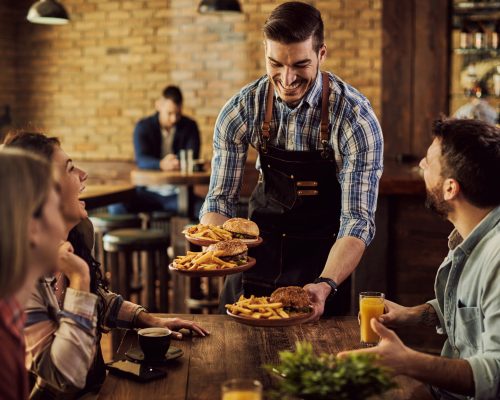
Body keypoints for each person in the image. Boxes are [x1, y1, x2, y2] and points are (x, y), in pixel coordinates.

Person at [199, 2, 383, 317]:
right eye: (276, 64)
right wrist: (218, 250)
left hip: (323, 268)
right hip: (255, 262)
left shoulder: (355, 117)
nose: (287, 78)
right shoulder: (242, 109)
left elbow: (358, 221)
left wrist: (326, 283)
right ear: (265, 53)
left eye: (300, 64)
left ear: (321, 54)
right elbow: (219, 201)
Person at [5, 132, 209, 398]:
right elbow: (62, 380)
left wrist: (149, 320)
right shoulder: (18, 282)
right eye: (69, 168)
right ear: (41, 192)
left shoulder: (75, 239)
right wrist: (79, 279)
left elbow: (96, 301)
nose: (83, 174)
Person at [339, 118, 500, 400]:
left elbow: (496, 375)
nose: (422, 167)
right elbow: (474, 309)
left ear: (450, 188)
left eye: (428, 162)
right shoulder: (472, 235)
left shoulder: (496, 257)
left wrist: (408, 361)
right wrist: (411, 314)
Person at [0, 148, 66, 400]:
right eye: (56, 207)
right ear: (32, 227)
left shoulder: (10, 312)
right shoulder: (3, 339)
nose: (63, 225)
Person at [109, 85, 202, 216]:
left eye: (178, 114)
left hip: (179, 194)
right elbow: (141, 159)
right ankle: (139, 236)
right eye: (169, 113)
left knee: (207, 211)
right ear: (159, 105)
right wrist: (161, 164)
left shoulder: (190, 126)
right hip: (147, 192)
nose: (174, 119)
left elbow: (192, 157)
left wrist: (177, 163)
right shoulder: (143, 126)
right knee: (116, 207)